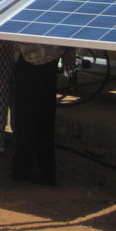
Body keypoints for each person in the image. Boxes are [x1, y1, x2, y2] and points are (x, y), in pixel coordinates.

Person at [13, 42, 75, 186]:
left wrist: (69, 49)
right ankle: (26, 167)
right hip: (26, 53)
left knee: (43, 114)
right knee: (26, 115)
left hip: (48, 54)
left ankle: (42, 168)